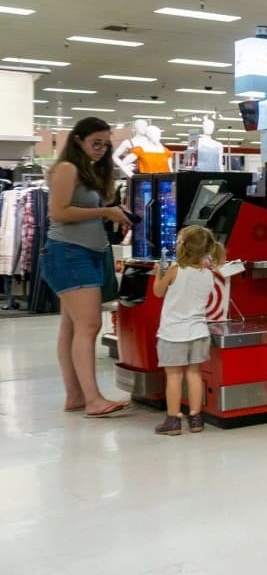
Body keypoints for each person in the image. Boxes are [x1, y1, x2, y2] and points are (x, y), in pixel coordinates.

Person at [41, 116, 133, 417]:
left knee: (72, 326)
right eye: (96, 143)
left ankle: (76, 396)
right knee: (89, 325)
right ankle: (92, 399)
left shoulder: (87, 171)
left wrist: (109, 213)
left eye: (106, 145)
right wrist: (105, 210)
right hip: (70, 253)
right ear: (78, 140)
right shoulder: (67, 168)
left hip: (83, 252)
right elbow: (59, 212)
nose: (101, 149)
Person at [150, 225, 225, 435]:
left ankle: (173, 420)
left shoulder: (175, 269)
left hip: (173, 333)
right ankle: (195, 417)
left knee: (174, 376)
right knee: (194, 374)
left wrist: (158, 273)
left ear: (182, 246)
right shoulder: (208, 274)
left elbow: (158, 292)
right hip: (199, 332)